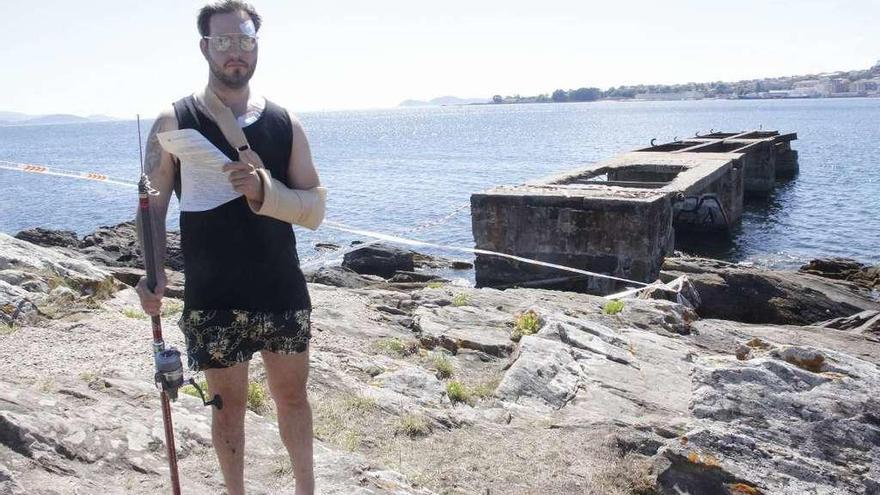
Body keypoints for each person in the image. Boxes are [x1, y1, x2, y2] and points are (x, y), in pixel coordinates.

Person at [135, 2, 325, 494]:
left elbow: (314, 206)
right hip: (213, 295)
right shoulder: (174, 119)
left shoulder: (285, 122)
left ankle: (306, 488)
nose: (235, 52)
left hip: (281, 287)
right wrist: (152, 271)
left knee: (293, 401)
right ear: (205, 47)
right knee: (227, 411)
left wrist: (263, 189)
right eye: (224, 42)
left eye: (244, 41)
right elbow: (151, 205)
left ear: (256, 46)